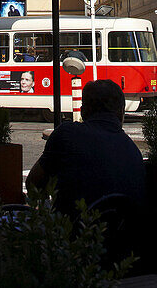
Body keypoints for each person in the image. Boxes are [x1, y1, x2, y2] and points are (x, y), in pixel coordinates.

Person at [26, 79, 146, 215]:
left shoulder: (67, 134)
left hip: (72, 233)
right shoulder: (133, 152)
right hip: (121, 233)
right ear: (121, 113)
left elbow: (33, 185)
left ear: (83, 111)